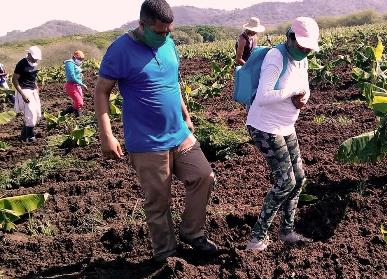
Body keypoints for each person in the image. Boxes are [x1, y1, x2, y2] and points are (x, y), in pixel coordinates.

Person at [94, 0, 218, 262]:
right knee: (158, 202)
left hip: (178, 132)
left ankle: (191, 232)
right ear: (142, 25)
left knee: (203, 176)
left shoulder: (168, 43)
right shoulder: (120, 49)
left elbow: (172, 80)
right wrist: (106, 134)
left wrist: (185, 112)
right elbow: (101, 91)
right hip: (147, 141)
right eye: (159, 31)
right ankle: (166, 254)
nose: (165, 36)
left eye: (168, 31)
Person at [245, 17, 320, 251]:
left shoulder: (303, 60)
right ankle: (257, 238)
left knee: (299, 180)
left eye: (309, 47)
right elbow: (264, 97)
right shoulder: (276, 57)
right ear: (290, 38)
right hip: (265, 127)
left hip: (286, 126)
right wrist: (292, 92)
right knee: (285, 182)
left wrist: (303, 97)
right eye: (301, 46)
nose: (305, 50)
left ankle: (286, 231)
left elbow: (303, 87)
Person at [12, 46, 42, 142]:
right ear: (29, 54)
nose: (35, 59)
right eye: (34, 57)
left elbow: (33, 78)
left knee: (37, 114)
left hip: (33, 90)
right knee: (30, 114)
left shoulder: (34, 63)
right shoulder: (22, 64)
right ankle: (27, 136)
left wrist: (36, 88)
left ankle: (26, 134)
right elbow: (14, 79)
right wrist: (23, 94)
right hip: (24, 90)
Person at [62, 50, 87, 117]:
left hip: (77, 85)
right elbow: (71, 77)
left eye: (81, 59)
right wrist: (82, 84)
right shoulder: (69, 63)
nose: (80, 61)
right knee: (79, 102)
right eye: (79, 59)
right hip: (71, 85)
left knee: (78, 102)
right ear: (74, 57)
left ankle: (78, 117)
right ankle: (64, 113)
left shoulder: (75, 64)